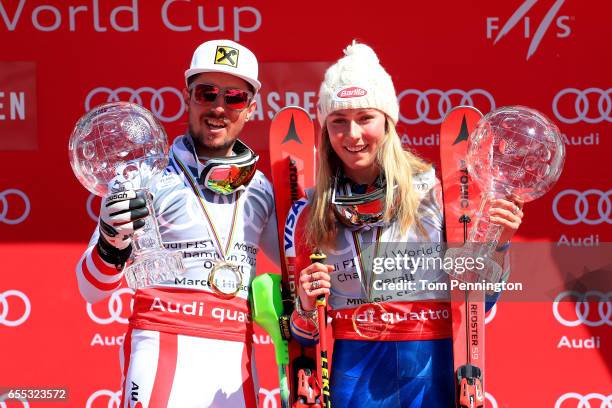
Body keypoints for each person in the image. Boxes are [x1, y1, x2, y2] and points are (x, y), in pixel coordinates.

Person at [289, 42, 524, 407]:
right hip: (355, 372)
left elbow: (480, 302)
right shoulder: (314, 210)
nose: (352, 135)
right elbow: (304, 337)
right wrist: (305, 303)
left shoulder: (437, 192)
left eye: (365, 118)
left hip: (430, 366)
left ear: (388, 121)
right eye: (338, 121)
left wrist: (498, 243)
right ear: (325, 130)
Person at [76, 39, 280, 408]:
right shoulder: (145, 176)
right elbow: (91, 289)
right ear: (187, 97)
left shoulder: (263, 187)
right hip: (161, 350)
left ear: (250, 109)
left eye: (233, 98)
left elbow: (294, 266)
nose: (219, 107)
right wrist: (111, 239)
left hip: (236, 364)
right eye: (207, 93)